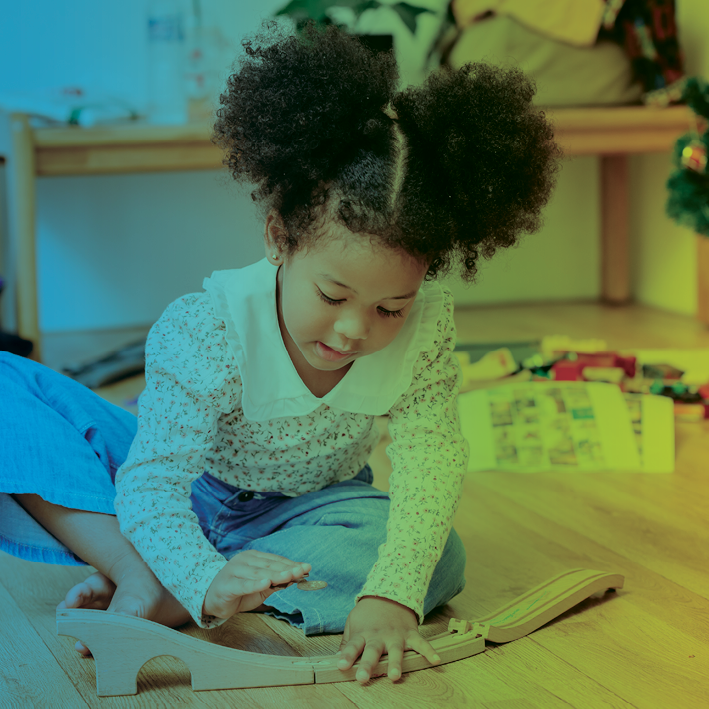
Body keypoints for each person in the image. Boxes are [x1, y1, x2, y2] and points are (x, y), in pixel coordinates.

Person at [0, 19, 561, 685]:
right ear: (277, 239)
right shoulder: (206, 325)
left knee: (439, 560)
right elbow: (151, 482)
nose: (354, 330)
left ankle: (194, 586)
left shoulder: (428, 329)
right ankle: (147, 571)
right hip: (182, 480)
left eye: (390, 308)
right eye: (331, 293)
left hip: (313, 507)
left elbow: (430, 462)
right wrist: (201, 569)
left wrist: (390, 596)